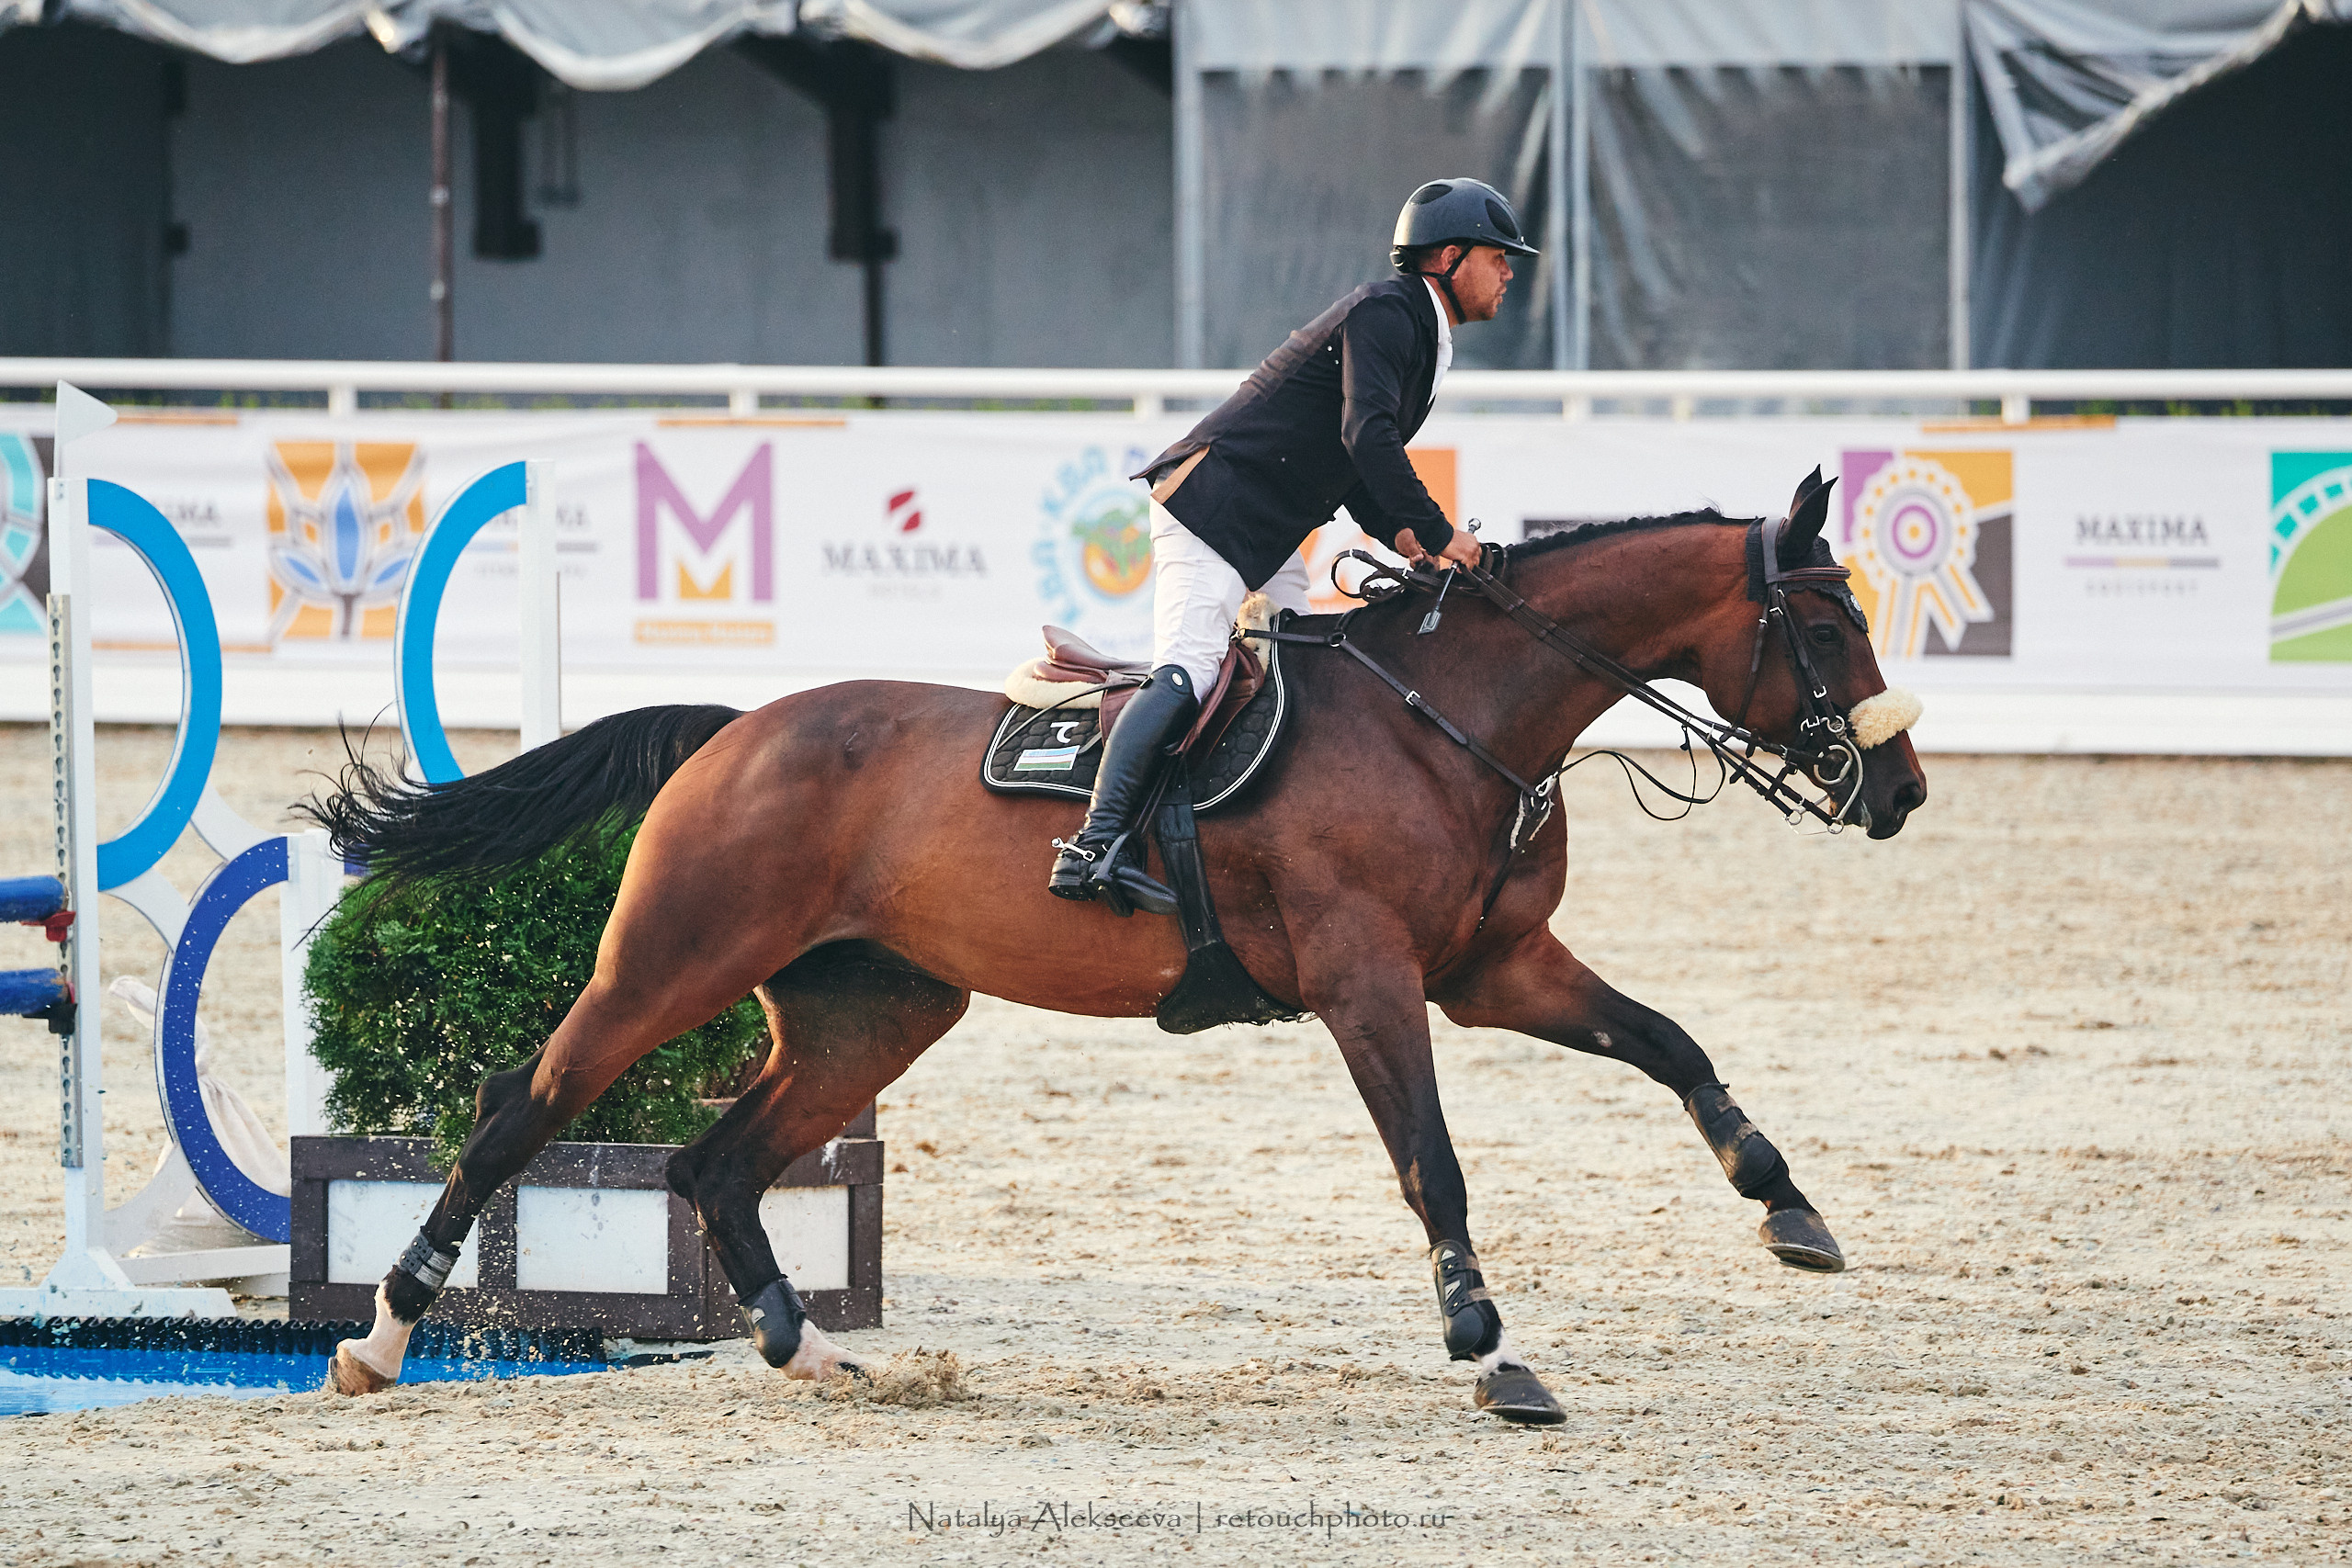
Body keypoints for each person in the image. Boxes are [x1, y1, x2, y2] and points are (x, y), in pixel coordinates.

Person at [1047, 176, 1538, 915]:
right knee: (1190, 667)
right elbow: (1365, 435)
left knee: (1299, 668)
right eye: (1499, 256)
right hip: (1213, 507)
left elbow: (1354, 466)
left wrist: (1409, 540)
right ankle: (1093, 844)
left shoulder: (1416, 327)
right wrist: (1439, 533)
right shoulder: (1390, 311)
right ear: (1449, 255)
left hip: (1267, 524)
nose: (1509, 271)